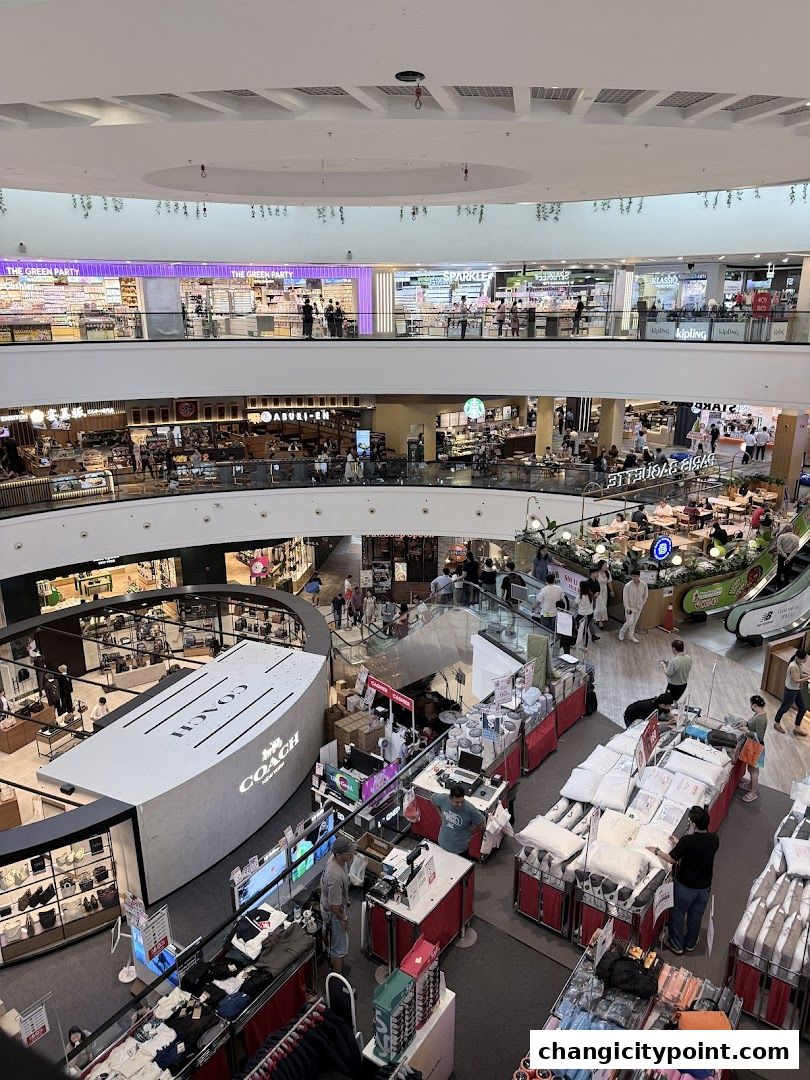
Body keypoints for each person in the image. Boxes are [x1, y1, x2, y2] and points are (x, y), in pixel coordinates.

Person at [649, 806, 718, 955]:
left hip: (685, 887)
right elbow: (699, 848)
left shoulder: (687, 842)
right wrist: (680, 843)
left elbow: (672, 859)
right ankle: (691, 943)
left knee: (678, 915)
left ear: (693, 824)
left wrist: (656, 851)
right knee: (696, 916)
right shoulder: (714, 839)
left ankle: (676, 945)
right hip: (704, 887)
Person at [319, 835, 355, 973]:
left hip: (329, 906)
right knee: (338, 949)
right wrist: (344, 919)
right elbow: (334, 907)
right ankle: (337, 979)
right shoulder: (335, 876)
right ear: (340, 855)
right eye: (349, 852)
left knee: (331, 937)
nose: (352, 854)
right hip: (334, 913)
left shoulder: (335, 860)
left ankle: (329, 949)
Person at [431, 783, 485, 857]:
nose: (460, 804)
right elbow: (433, 799)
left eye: (462, 801)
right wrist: (441, 815)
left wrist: (470, 833)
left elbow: (482, 822)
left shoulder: (470, 809)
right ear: (450, 798)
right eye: (457, 802)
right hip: (443, 843)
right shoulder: (443, 799)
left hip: (460, 849)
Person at [739, 695, 768, 803]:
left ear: (754, 705)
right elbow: (752, 725)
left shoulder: (761, 719)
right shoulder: (758, 714)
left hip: (756, 747)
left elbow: (759, 736)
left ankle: (753, 792)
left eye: (751, 704)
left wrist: (746, 731)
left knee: (753, 770)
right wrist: (746, 724)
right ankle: (751, 785)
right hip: (752, 745)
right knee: (752, 769)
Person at [773, 648, 808, 735]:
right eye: (804, 659)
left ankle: (797, 728)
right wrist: (808, 678)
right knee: (784, 708)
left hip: (797, 690)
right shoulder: (793, 666)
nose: (805, 660)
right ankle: (776, 723)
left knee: (803, 708)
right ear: (798, 657)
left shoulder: (799, 663)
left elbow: (799, 674)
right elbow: (796, 680)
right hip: (790, 691)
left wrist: (806, 675)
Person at [619, 569, 648, 643]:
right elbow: (625, 598)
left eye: (635, 576)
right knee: (629, 622)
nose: (633, 578)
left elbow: (646, 595)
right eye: (632, 576)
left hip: (639, 607)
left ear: (639, 576)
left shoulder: (644, 584)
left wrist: (642, 603)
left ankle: (630, 636)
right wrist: (627, 607)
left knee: (634, 622)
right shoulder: (628, 586)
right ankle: (622, 632)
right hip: (630, 608)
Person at [776, 524, 800, 588]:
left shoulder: (781, 536)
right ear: (792, 529)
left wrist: (784, 555)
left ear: (785, 529)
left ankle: (778, 584)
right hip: (790, 556)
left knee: (779, 569)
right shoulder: (797, 538)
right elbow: (795, 549)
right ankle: (785, 584)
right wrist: (789, 558)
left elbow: (779, 547)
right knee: (788, 570)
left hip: (781, 555)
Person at [592, 559, 612, 630]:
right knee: (600, 606)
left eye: (606, 565)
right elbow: (593, 581)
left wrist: (611, 591)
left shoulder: (607, 572)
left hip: (604, 591)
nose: (606, 566)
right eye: (604, 565)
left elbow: (609, 582)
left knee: (604, 606)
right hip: (597, 591)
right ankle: (599, 621)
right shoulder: (597, 573)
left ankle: (598, 619)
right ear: (601, 566)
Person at [575, 579, 595, 648]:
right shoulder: (590, 595)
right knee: (585, 628)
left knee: (577, 627)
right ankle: (585, 645)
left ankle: (576, 642)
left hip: (582, 615)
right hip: (590, 614)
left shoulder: (579, 597)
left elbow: (574, 605)